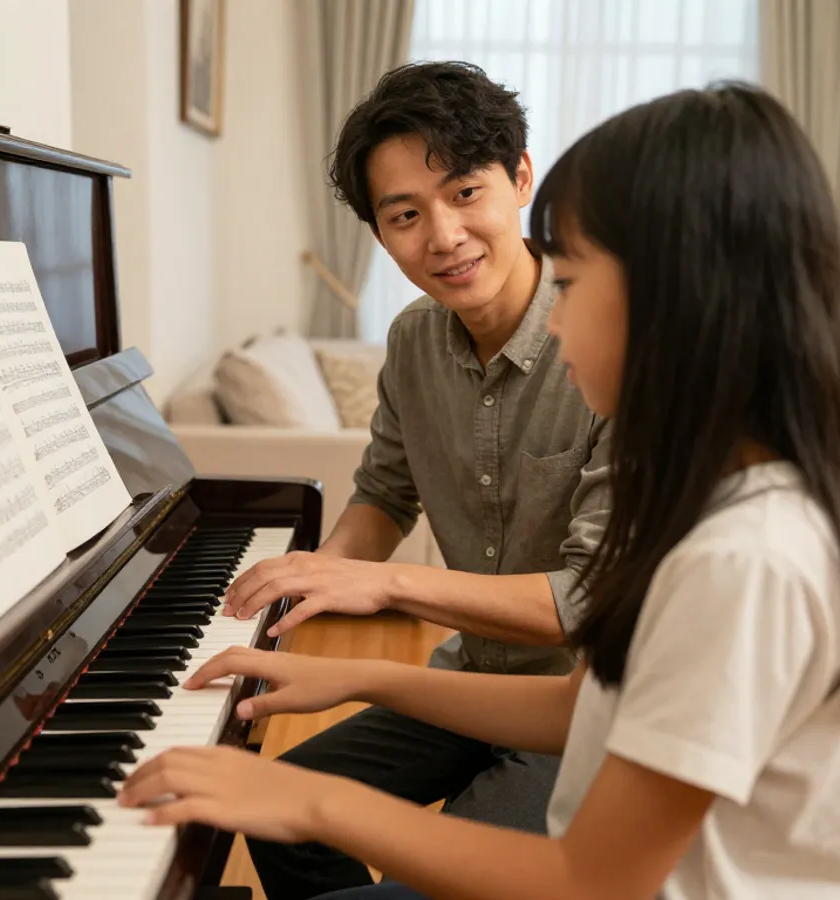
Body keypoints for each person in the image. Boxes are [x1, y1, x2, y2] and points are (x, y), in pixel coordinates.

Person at [119, 83, 840, 900]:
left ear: (679, 295)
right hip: (513, 703)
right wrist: (361, 675)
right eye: (403, 215)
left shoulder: (743, 559)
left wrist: (314, 797)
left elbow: (589, 879)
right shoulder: (719, 506)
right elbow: (582, 706)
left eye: (569, 282)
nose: (556, 318)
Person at [218, 60, 611, 898]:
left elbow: (584, 600)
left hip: (584, 717)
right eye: (405, 214)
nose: (442, 237)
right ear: (380, 232)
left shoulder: (608, 347)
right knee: (271, 810)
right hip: (468, 677)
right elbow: (385, 493)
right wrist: (300, 586)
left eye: (466, 192)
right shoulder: (412, 341)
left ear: (521, 179)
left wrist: (382, 581)